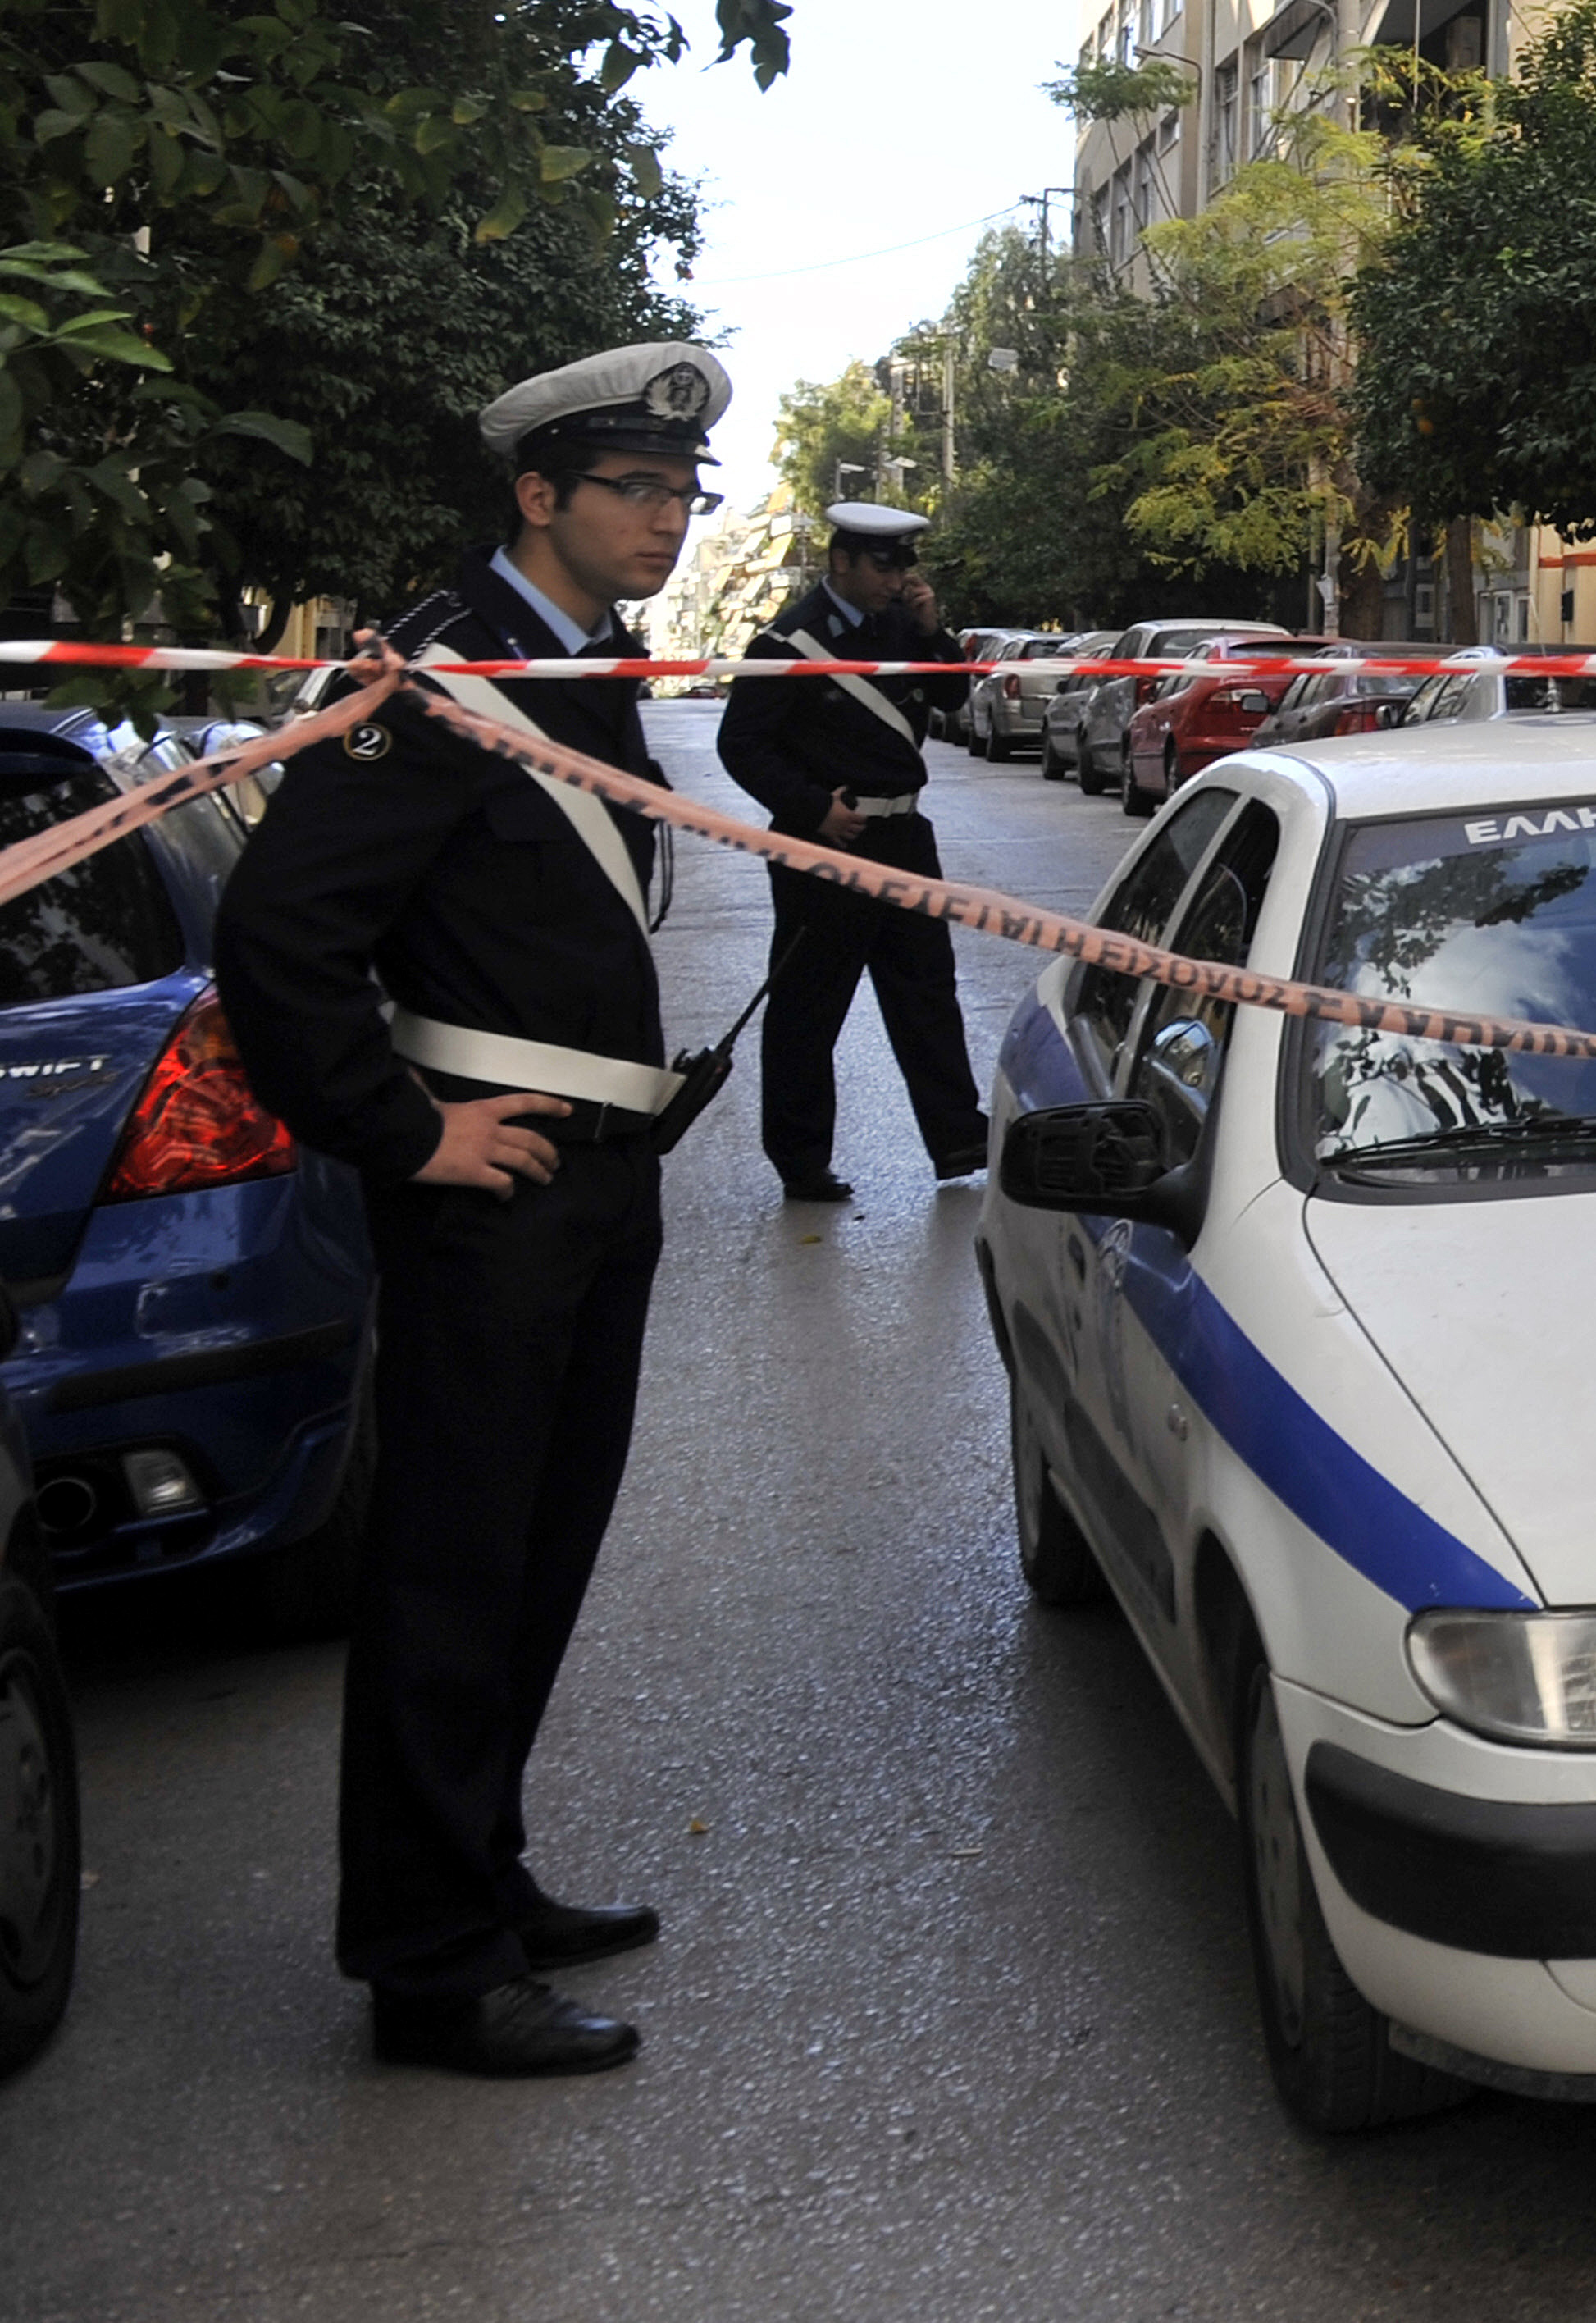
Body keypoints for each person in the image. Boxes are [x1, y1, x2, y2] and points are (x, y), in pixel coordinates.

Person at [216, 341, 734, 2077]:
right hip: (492, 1198)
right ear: (538, 495)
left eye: (680, 495)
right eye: (632, 491)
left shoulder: (576, 670)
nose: (662, 520)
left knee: (535, 1560)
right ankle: (430, 1964)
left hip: (595, 1189)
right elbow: (279, 940)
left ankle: (483, 1871)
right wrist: (399, 1133)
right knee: (450, 1575)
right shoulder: (441, 679)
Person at [714, 503, 986, 1203]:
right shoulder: (787, 641)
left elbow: (953, 698)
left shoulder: (904, 628)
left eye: (905, 565)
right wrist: (811, 808)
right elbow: (741, 743)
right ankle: (802, 1161)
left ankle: (957, 1137)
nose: (899, 578)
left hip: (903, 838)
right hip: (825, 844)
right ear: (842, 563)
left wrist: (933, 632)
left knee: (927, 993)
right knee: (810, 1008)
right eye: (884, 564)